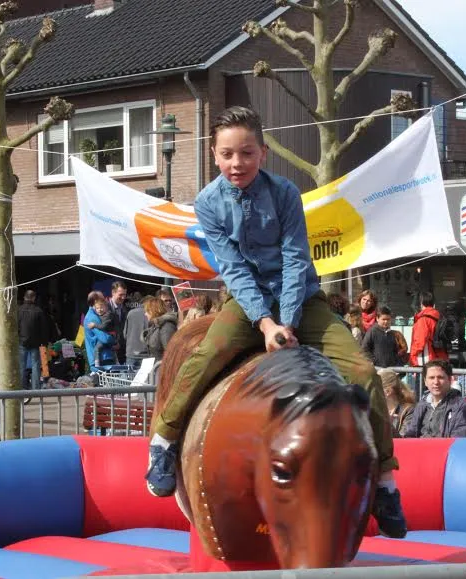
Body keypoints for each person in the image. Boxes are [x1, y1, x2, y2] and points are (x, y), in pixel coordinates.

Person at [145, 106, 406, 538]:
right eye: (228, 154)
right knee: (206, 355)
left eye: (247, 153)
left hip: (300, 298)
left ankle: (384, 479)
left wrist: (287, 322)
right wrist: (266, 325)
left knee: (363, 371)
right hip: (246, 302)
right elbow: (233, 269)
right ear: (213, 155)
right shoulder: (208, 203)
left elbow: (295, 259)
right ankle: (164, 441)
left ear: (263, 153)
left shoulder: (284, 193)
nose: (237, 163)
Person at [404, 360, 466, 439]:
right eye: (431, 378)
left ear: (449, 380)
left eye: (440, 377)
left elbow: (459, 440)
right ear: (425, 381)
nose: (436, 382)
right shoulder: (421, 405)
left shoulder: (462, 407)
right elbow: (410, 435)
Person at [18, 289, 50, 391]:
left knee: (21, 365)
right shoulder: (38, 311)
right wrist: (44, 343)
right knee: (35, 365)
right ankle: (35, 388)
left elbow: (16, 327)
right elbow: (43, 328)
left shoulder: (19, 310)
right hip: (36, 342)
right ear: (34, 298)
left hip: (22, 341)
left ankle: (21, 387)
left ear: (24, 297)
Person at [409, 291, 448, 366]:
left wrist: (412, 357)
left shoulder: (423, 320)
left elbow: (419, 342)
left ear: (421, 303)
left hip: (425, 358)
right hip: (439, 356)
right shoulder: (438, 317)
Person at [84, 291, 117, 368]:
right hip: (102, 359)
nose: (104, 301)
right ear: (95, 301)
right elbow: (105, 339)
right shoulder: (93, 317)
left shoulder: (94, 315)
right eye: (102, 299)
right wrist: (114, 340)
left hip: (101, 358)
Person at [379, 368, 415, 438]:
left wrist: (388, 425)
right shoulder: (375, 409)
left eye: (375, 388)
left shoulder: (409, 411)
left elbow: (404, 440)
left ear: (387, 391)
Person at [142, 296, 179, 361]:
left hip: (162, 365)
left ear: (154, 311)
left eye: (147, 311)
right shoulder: (155, 325)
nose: (145, 314)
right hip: (155, 365)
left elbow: (170, 353)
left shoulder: (167, 326)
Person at [124, 302, 149, 371]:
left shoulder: (131, 313)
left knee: (130, 377)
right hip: (146, 353)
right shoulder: (150, 313)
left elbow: (125, 334)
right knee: (147, 377)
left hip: (131, 352)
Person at [108, 282, 129, 364]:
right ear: (113, 293)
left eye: (125, 295)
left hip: (122, 351)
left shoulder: (125, 309)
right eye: (120, 295)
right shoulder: (104, 308)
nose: (123, 297)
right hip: (108, 350)